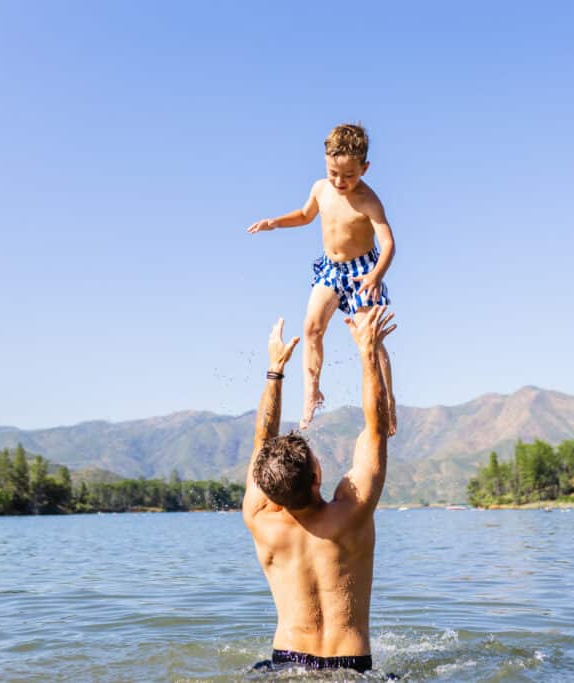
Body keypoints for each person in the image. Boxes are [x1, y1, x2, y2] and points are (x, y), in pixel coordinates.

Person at [243, 307, 396, 674]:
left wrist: (275, 370)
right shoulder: (352, 513)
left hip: (286, 664)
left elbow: (262, 440)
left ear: (268, 487)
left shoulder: (259, 519)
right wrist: (367, 351)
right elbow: (375, 428)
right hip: (352, 665)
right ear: (317, 476)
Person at [247, 123, 397, 433]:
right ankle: (312, 393)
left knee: (371, 338)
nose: (340, 181)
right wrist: (275, 222)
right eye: (334, 173)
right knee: (312, 326)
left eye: (349, 175)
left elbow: (389, 243)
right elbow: (304, 215)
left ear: (365, 168)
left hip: (362, 272)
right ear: (325, 163)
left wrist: (376, 275)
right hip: (331, 268)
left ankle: (388, 402)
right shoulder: (320, 188)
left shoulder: (369, 200)